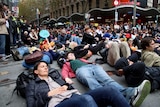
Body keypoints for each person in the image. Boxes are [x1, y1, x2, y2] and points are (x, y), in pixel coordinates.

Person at [61, 52, 151, 106]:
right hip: (80, 70)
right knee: (91, 81)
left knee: (107, 80)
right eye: (70, 55)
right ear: (67, 58)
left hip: (93, 66)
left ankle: (130, 93)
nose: (72, 55)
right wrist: (66, 78)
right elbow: (64, 72)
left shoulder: (81, 59)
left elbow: (88, 53)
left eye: (72, 54)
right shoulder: (67, 64)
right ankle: (106, 99)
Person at [26, 61, 130, 107]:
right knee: (86, 99)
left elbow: (69, 87)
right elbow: (31, 105)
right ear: (36, 72)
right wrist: (48, 94)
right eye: (42, 67)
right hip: (58, 104)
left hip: (75, 97)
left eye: (46, 66)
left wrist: (67, 85)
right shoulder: (32, 84)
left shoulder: (55, 77)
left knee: (109, 90)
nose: (46, 68)